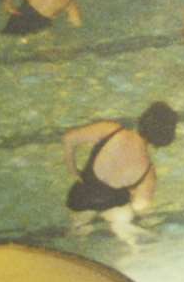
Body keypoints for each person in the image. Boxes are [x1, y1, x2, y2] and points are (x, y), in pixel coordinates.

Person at [63, 103, 177, 248]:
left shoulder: (109, 130)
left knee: (77, 229)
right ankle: (128, 238)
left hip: (82, 197)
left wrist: (73, 170)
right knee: (124, 219)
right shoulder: (148, 172)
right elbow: (140, 205)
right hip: (114, 203)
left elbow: (68, 138)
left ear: (142, 119)